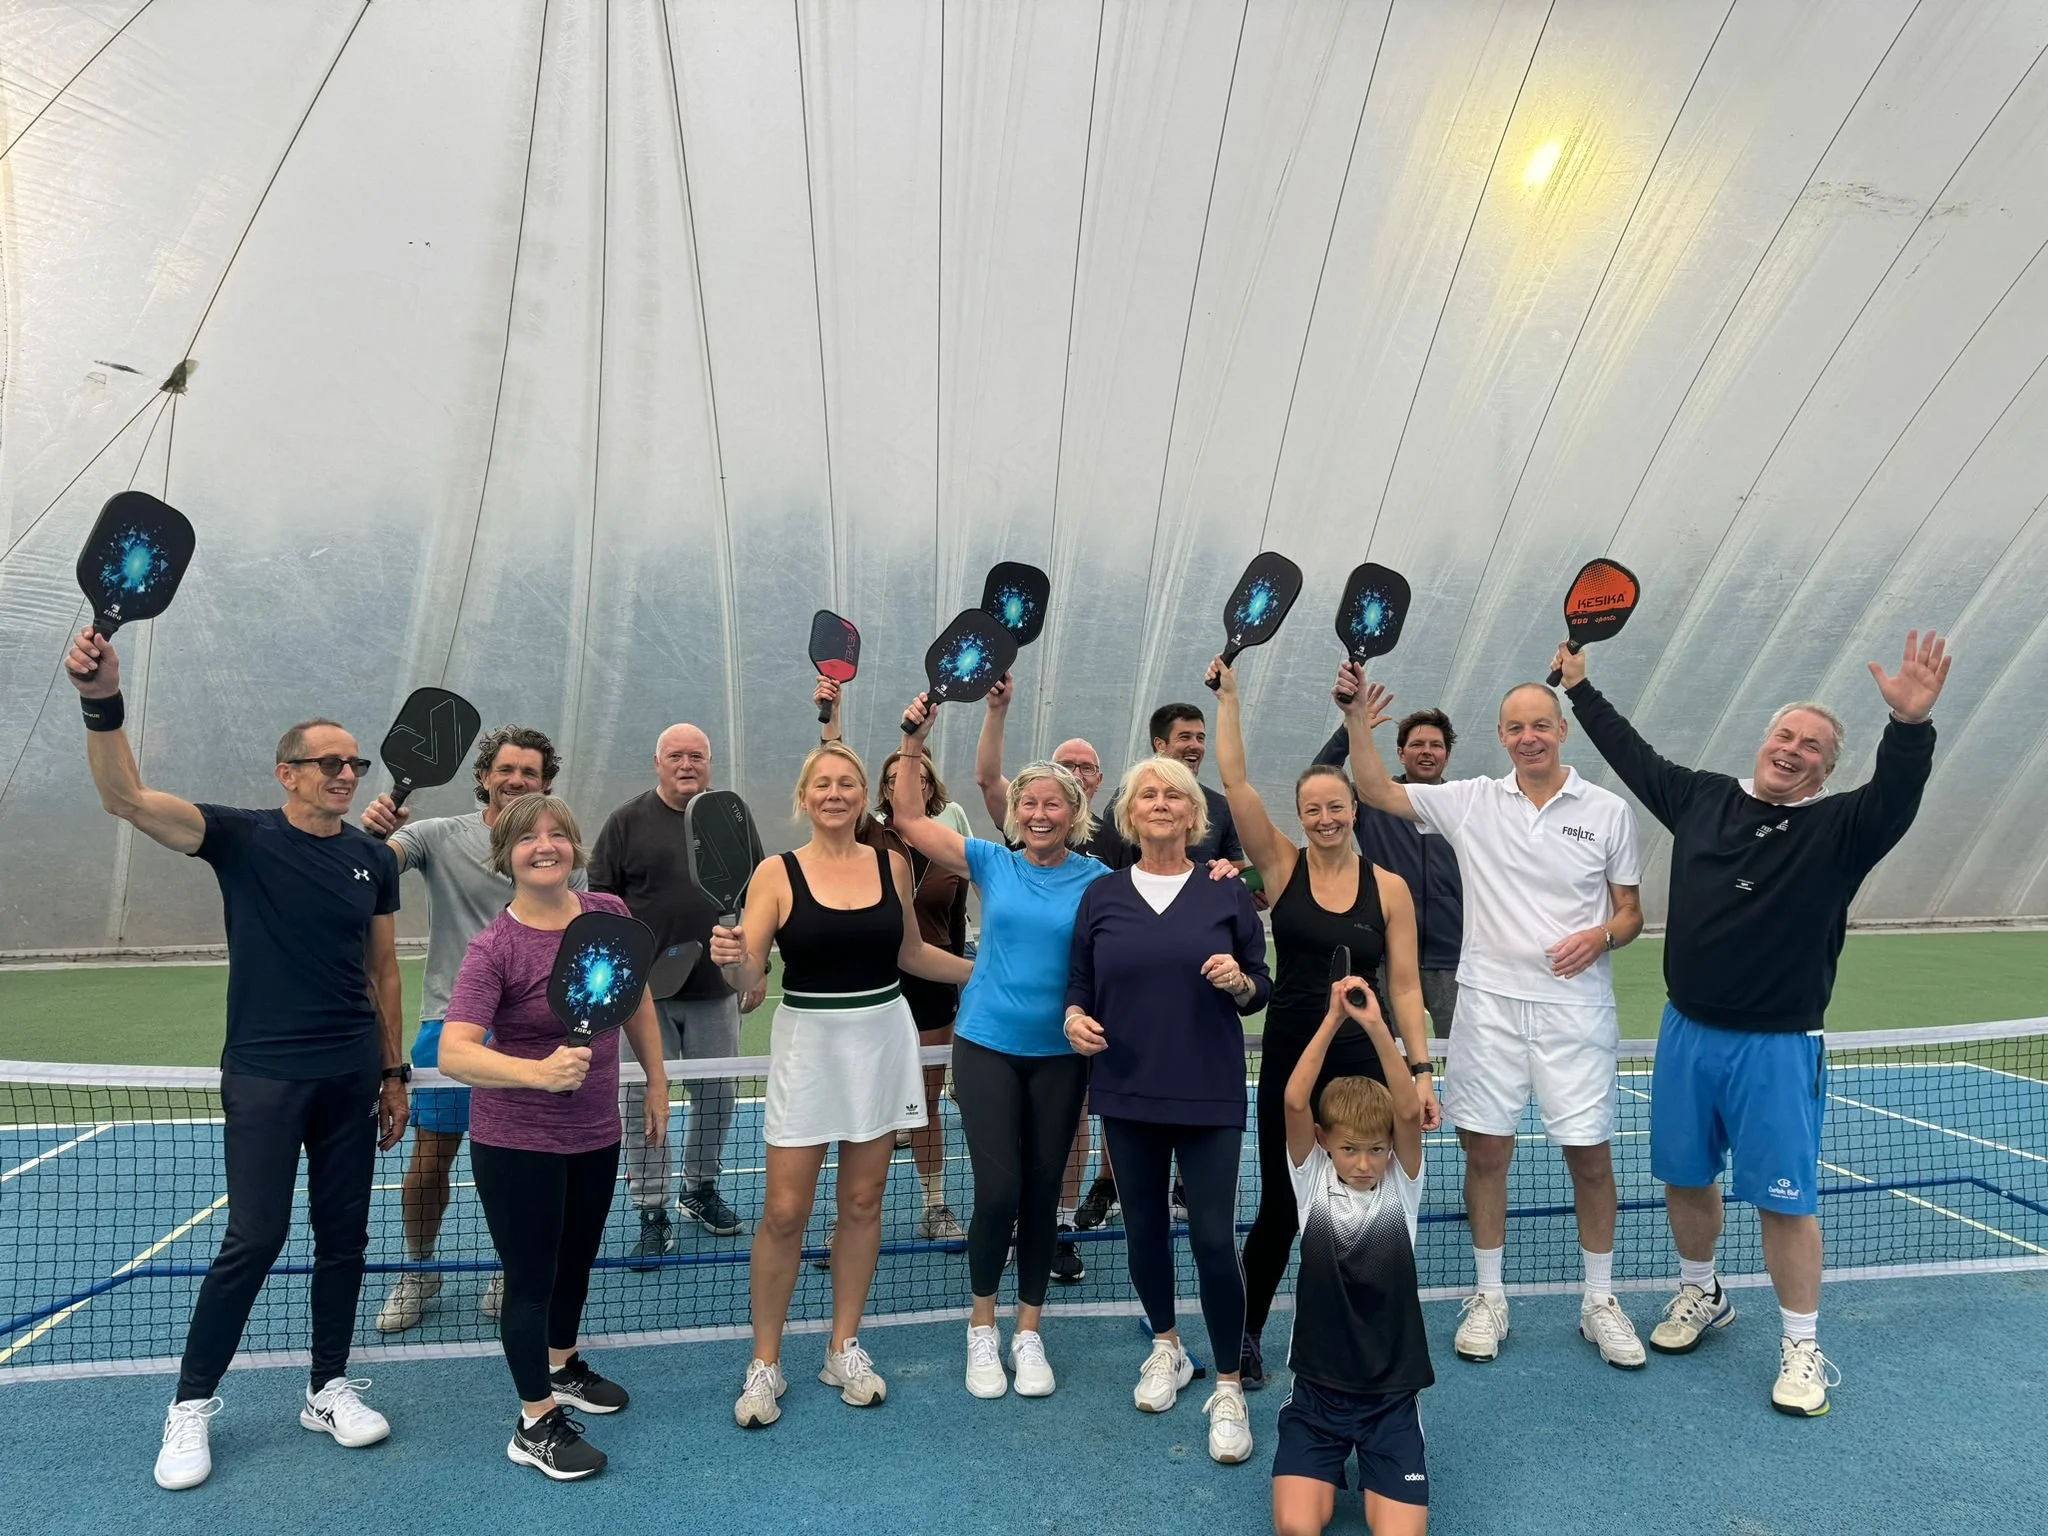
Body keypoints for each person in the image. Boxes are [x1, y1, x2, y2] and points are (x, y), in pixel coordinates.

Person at [1557, 630, 1952, 1417]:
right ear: (1763, 740)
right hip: (1687, 1033)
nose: (1793, 750)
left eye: (1812, 746)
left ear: (1828, 770)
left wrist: (1909, 727)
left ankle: (1802, 1345)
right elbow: (1633, 756)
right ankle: (1701, 1292)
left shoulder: (1844, 828)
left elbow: (1897, 795)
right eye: (1785, 735)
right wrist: (1578, 689)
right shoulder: (1702, 796)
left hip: (1777, 1046)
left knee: (1783, 1201)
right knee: (1685, 1178)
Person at [65, 630, 407, 1492]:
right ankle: (190, 1406)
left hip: (351, 1075)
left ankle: (327, 1386)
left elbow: (383, 969)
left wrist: (394, 1073)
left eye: (354, 763)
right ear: (286, 772)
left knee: (346, 1243)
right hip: (264, 1074)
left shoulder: (372, 859)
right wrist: (101, 697)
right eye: (326, 761)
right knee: (254, 1238)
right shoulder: (242, 838)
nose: (344, 773)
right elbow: (126, 798)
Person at [1341, 661, 1647, 1369]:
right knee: (1486, 1152)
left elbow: (1630, 912)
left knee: (1591, 1157)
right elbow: (1376, 789)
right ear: (1502, 737)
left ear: (1562, 729)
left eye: (1541, 724)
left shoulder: (1607, 811)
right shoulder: (1471, 799)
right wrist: (1358, 720)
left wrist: (1599, 935)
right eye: (1516, 727)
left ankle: (1600, 1300)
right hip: (1488, 1008)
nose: (1530, 737)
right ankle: (1489, 1296)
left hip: (1577, 1011)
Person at [711, 743, 973, 1427]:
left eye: (847, 783)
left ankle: (842, 1347)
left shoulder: (891, 864)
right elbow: (751, 980)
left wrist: (989, 974)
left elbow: (911, 953)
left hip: (885, 1038)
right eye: (822, 783)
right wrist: (734, 960)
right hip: (810, 1045)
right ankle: (765, 1363)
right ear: (805, 797)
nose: (835, 792)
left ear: (864, 796)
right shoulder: (776, 872)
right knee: (785, 1212)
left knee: (862, 1201)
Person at [1207, 655, 1440, 1392]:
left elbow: (1403, 988)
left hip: (1367, 1055)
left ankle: (1363, 1328)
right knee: (1283, 1202)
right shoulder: (1279, 864)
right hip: (1293, 1052)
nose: (1326, 817)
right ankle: (1245, 1333)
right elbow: (1237, 783)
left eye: (1337, 807)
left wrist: (1421, 1069)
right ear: (1301, 815)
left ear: (1354, 811)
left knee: (1369, 1196)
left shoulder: (1391, 887)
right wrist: (1232, 699)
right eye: (1313, 809)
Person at [889, 693, 1115, 1398]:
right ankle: (982, 1330)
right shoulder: (992, 863)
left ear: (1075, 815)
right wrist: (912, 742)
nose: (1041, 813)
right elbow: (908, 819)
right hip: (985, 1046)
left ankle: (1028, 1331)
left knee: (1045, 1193)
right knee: (998, 1193)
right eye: (1031, 804)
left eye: (1055, 804)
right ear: (1016, 813)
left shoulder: (1102, 882)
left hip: (1060, 1056)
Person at [438, 794, 668, 1480]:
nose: (546, 846)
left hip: (595, 1130)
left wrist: (655, 1078)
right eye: (528, 838)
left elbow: (637, 999)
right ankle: (534, 1420)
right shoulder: (495, 948)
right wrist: (536, 1073)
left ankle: (562, 1366)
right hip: (517, 1142)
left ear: (575, 846)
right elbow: (454, 1051)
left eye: (558, 834)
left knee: (577, 1262)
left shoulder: (609, 916)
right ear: (504, 855)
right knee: (531, 1282)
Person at [1064, 754, 1271, 1465]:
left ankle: (1229, 1383)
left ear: (1192, 814)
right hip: (1125, 1090)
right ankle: (1166, 1347)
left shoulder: (1227, 891)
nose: (1159, 803)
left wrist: (1241, 981)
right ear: (1129, 813)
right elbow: (1080, 982)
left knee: (1214, 1239)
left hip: (1208, 1090)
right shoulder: (1102, 895)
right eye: (1146, 794)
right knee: (1143, 1232)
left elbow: (1261, 986)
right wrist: (1073, 1020)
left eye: (1172, 795)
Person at [363, 725, 580, 1333]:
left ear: (545, 783)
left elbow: (578, 929)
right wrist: (374, 833)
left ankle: (513, 1268)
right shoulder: (436, 836)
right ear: (484, 775)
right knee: (431, 1164)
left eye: (529, 774)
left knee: (523, 1166)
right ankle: (419, 1269)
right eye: (505, 770)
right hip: (450, 1027)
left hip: (534, 1033)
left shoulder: (553, 848)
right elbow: (379, 863)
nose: (516, 781)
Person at [972, 670, 1129, 1270]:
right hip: (1002, 1035)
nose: (1075, 774)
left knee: (1072, 1136)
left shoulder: (1113, 853)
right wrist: (998, 709)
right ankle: (1014, 1226)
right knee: (1009, 1155)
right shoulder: (1007, 857)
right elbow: (989, 779)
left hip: (1077, 1025)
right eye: (1065, 765)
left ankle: (1058, 1224)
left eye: (1084, 769)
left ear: (1090, 791)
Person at [591, 724, 763, 1262]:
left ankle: (700, 1189)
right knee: (643, 1101)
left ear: (709, 763)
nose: (686, 764)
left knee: (717, 1096)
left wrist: (754, 969)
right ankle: (652, 1208)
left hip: (716, 989)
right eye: (675, 756)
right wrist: (617, 978)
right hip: (643, 997)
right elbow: (599, 901)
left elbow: (759, 891)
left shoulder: (730, 817)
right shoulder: (625, 821)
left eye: (697, 756)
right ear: (657, 762)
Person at [1273, 977, 1432, 1536]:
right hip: (1318, 1393)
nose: (1364, 1163)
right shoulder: (1311, 1178)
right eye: (1348, 1148)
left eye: (1375, 1148)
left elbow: (1408, 1112)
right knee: (1297, 1527)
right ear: (1322, 1141)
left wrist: (1375, 1025)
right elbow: (1294, 1099)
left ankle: (1382, 1451)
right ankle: (1321, 1454)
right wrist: (1333, 1019)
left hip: (1389, 1395)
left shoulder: (1400, 1185)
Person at [817, 675, 972, 1241]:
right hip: (875, 985)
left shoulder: (954, 846)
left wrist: (969, 970)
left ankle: (934, 1205)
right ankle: (848, 1218)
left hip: (935, 989)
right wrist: (831, 717)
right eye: (894, 777)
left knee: (927, 1103)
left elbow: (956, 920)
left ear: (930, 786)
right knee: (864, 1104)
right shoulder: (869, 835)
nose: (906, 781)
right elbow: (835, 771)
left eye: (917, 774)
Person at [1314, 708, 1464, 1036]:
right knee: (1387, 1054)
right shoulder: (1369, 801)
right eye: (1417, 744)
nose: (1427, 751)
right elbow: (1319, 778)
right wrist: (1349, 730)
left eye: (1436, 745)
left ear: (1447, 755)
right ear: (1400, 753)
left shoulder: (1466, 805)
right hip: (1386, 957)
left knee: (1464, 1056)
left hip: (1452, 959)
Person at [1147, 702, 1246, 866]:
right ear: (1160, 745)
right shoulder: (1128, 801)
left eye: (1200, 738)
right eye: (1185, 737)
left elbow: (1236, 867)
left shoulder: (1220, 806)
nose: (1195, 745)